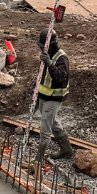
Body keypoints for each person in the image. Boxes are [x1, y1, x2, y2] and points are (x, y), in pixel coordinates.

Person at [35, 28, 73, 161]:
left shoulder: (62, 58)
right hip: (44, 96)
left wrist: (50, 64)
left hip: (54, 98)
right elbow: (42, 77)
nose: (41, 50)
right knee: (53, 123)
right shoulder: (46, 55)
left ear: (50, 45)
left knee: (45, 131)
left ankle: (38, 160)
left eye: (42, 47)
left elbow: (59, 77)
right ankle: (67, 150)